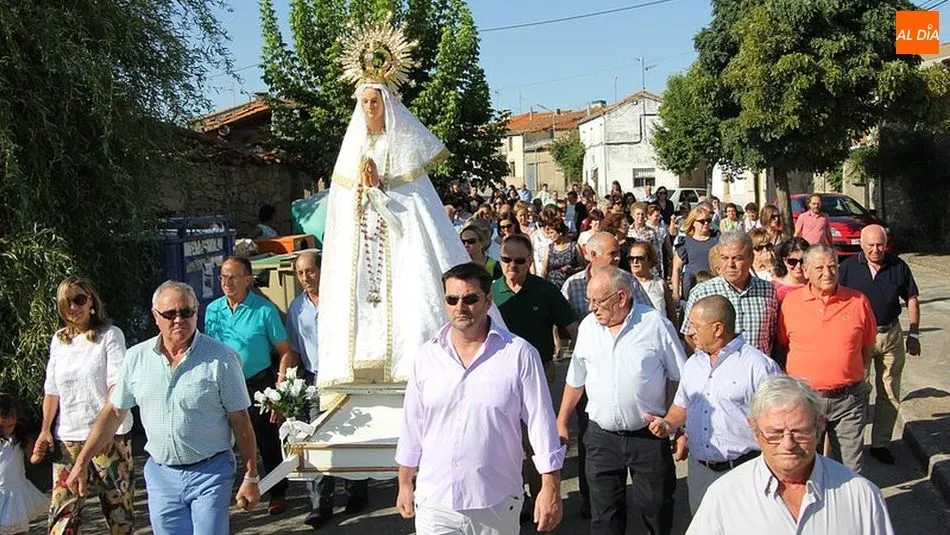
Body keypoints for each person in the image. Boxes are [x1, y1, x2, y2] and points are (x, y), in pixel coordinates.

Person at [317, 35, 475, 387]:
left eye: (375, 101)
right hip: (364, 240)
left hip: (401, 238)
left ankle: (413, 365)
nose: (370, 107)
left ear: (386, 103)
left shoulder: (401, 146)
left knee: (411, 291)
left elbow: (414, 203)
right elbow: (342, 205)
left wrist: (381, 185)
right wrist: (364, 189)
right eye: (364, 102)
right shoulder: (352, 147)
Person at [66, 281, 260, 534]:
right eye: (170, 314)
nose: (179, 320)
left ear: (196, 311)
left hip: (211, 471)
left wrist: (251, 475)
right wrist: (81, 462)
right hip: (162, 475)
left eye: (186, 312)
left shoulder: (221, 358)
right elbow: (114, 412)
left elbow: (240, 420)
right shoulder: (136, 358)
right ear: (155, 316)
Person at [395, 263, 565, 534]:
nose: (460, 307)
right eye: (452, 299)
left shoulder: (520, 354)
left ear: (488, 301)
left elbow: (541, 426)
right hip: (435, 501)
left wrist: (550, 487)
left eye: (470, 299)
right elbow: (412, 425)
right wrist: (405, 483)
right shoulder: (426, 357)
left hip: (496, 501)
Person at [557, 266, 686, 535]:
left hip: (648, 436)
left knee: (655, 508)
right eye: (589, 300)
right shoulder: (588, 328)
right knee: (604, 515)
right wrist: (562, 421)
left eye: (598, 301)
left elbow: (683, 379)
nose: (591, 308)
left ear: (621, 297)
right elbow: (575, 379)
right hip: (601, 438)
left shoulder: (654, 325)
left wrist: (678, 425)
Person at [687, 376, 895, 534]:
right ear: (755, 430)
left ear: (819, 427)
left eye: (799, 432)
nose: (788, 444)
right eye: (775, 433)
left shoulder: (861, 495)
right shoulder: (724, 496)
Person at [646, 296, 781, 513]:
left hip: (743, 470)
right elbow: (683, 406)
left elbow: (777, 421)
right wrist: (668, 424)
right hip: (701, 471)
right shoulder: (693, 364)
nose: (690, 332)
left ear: (717, 329)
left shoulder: (758, 366)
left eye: (696, 326)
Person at [33, 276, 135, 534]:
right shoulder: (59, 339)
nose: (73, 307)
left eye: (79, 299)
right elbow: (52, 389)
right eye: (66, 301)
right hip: (69, 437)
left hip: (108, 438)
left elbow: (117, 388)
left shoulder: (110, 335)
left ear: (92, 301)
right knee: (62, 518)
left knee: (119, 517)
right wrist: (45, 430)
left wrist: (109, 421)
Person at [492, 234, 577, 515]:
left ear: (530, 260)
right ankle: (514, 502)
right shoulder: (489, 294)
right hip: (499, 379)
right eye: (506, 259)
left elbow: (572, 327)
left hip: (539, 374)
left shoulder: (545, 291)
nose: (512, 266)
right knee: (507, 444)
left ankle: (541, 500)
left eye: (519, 260)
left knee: (536, 441)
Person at [203, 256, 294, 515]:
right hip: (223, 385)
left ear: (247, 279)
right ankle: (224, 492)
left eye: (233, 277)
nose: (226, 282)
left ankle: (277, 491)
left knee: (267, 440)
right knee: (222, 441)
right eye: (222, 277)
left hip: (257, 384)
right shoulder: (213, 310)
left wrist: (279, 389)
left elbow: (285, 352)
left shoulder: (264, 310)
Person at [778, 244, 876, 472]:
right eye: (820, 268)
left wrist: (849, 371)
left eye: (832, 267)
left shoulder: (858, 301)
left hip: (848, 400)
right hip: (806, 400)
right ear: (806, 270)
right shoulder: (790, 304)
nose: (828, 273)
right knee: (805, 466)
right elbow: (783, 345)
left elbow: (867, 346)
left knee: (850, 469)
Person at [839, 224, 920, 465]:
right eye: (871, 245)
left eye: (880, 245)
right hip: (859, 337)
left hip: (890, 333)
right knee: (859, 391)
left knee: (889, 390)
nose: (876, 250)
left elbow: (911, 298)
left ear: (886, 245)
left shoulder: (898, 266)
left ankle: (881, 444)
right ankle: (854, 442)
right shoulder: (847, 268)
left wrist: (914, 334)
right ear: (862, 245)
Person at [681, 232, 779, 356]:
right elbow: (690, 337)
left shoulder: (768, 291)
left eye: (737, 258)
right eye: (724, 258)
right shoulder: (701, 293)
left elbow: (774, 337)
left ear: (751, 259)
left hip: (759, 366)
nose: (730, 265)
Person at [0, 393, 48, 535]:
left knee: (16, 529)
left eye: (10, 425)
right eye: (1, 426)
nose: (6, 430)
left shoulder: (20, 437)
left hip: (15, 491)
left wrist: (39, 454)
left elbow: (32, 459)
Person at [672, 206, 719, 303]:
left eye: (708, 220)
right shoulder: (685, 242)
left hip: (713, 284)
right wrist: (675, 292)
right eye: (702, 221)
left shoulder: (717, 239)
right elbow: (677, 268)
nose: (706, 223)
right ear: (693, 223)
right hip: (691, 285)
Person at [628, 241, 677, 325]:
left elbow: (672, 314)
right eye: (631, 258)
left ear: (650, 260)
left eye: (640, 258)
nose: (635, 262)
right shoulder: (626, 285)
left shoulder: (660, 284)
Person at [539, 219, 586, 289]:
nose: (549, 236)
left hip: (570, 285)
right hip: (552, 286)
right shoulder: (549, 248)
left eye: (551, 233)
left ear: (560, 232)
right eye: (548, 233)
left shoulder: (574, 246)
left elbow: (583, 266)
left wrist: (573, 270)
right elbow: (544, 269)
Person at [628, 202, 664, 278]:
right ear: (633, 215)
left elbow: (657, 251)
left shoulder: (651, 232)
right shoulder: (628, 231)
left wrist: (659, 269)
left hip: (648, 266)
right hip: (633, 266)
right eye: (638, 214)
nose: (640, 216)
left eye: (642, 214)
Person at [772, 237, 810, 302]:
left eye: (802, 261)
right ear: (784, 261)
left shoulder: (816, 284)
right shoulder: (775, 290)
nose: (798, 266)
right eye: (792, 261)